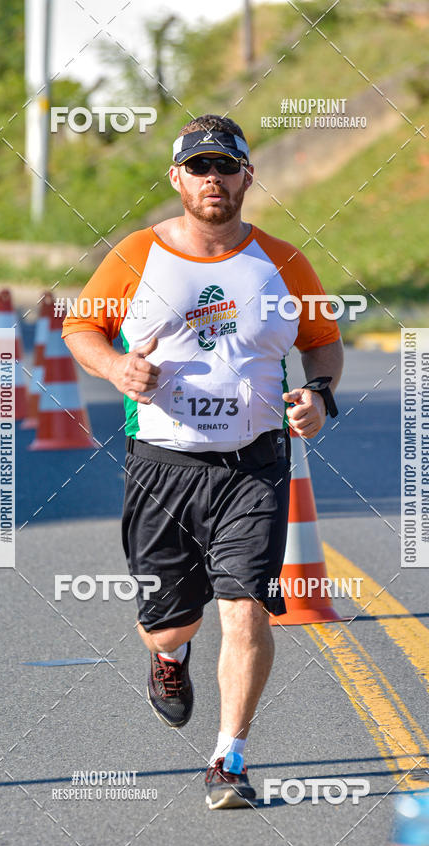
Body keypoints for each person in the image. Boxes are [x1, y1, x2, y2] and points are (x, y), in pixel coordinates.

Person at [62, 114, 343, 809]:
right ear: (176, 179)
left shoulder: (283, 260)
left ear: (249, 174)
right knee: (169, 621)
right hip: (162, 463)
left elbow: (323, 343)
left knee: (245, 606)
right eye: (199, 167)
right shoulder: (136, 253)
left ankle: (229, 756)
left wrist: (319, 395)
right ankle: (168, 655)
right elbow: (80, 325)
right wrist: (116, 369)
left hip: (255, 463)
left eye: (225, 166)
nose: (212, 179)